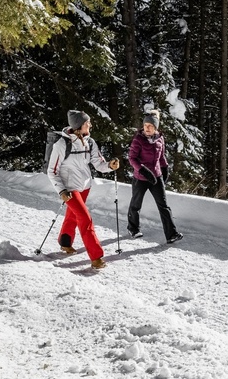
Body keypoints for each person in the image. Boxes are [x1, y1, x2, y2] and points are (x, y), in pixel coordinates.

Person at [47, 110, 120, 269]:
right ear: (79, 126)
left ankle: (65, 241)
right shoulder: (61, 145)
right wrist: (62, 191)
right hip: (70, 189)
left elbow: (98, 163)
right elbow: (52, 171)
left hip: (85, 185)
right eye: (87, 123)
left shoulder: (90, 142)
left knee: (73, 216)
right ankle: (96, 257)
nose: (90, 125)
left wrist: (109, 165)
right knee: (85, 218)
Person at [127, 109, 183, 244]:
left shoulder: (160, 139)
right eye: (145, 125)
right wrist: (142, 170)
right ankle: (133, 228)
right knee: (136, 204)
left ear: (155, 127)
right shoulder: (138, 139)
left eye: (150, 126)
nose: (147, 128)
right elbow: (132, 158)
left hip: (156, 176)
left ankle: (171, 234)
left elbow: (161, 157)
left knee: (163, 205)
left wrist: (165, 168)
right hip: (141, 178)